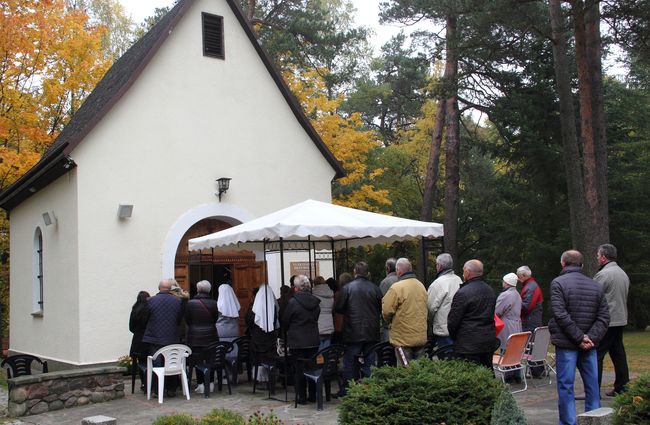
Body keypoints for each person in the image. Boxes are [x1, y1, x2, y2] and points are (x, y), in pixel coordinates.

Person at [549, 250, 609, 425]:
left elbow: (560, 314)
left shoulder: (558, 283)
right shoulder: (595, 285)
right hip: (589, 344)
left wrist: (579, 337)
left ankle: (569, 422)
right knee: (592, 386)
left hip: (568, 343)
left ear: (563, 263)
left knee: (566, 386)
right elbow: (604, 317)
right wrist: (590, 337)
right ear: (581, 265)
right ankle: (593, 420)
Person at [334, 262, 382, 396]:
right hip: (371, 331)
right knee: (370, 362)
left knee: (349, 361)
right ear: (367, 273)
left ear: (355, 271)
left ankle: (348, 390)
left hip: (353, 331)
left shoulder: (348, 288)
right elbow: (380, 308)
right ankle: (370, 389)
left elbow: (339, 308)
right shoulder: (375, 288)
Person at [447, 260, 498, 370]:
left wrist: (456, 337)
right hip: (488, 340)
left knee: (469, 374)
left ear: (467, 272)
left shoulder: (463, 293)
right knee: (488, 372)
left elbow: (453, 321)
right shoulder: (490, 290)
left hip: (468, 344)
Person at [594, 243, 630, 396]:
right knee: (618, 353)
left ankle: (593, 389)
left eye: (597, 256)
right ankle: (622, 386)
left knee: (597, 354)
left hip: (607, 320)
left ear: (603, 257)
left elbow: (594, 296)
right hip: (620, 319)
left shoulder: (604, 275)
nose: (597, 258)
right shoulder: (622, 273)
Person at [281, 275, 321, 404]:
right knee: (311, 367)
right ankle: (313, 395)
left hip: (297, 341)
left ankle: (302, 397)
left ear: (297, 288)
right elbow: (316, 317)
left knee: (299, 369)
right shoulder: (315, 302)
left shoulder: (292, 302)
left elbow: (285, 320)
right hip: (312, 339)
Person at [382, 258, 428, 366]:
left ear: (398, 270)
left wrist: (390, 323)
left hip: (403, 339)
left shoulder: (396, 288)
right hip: (420, 337)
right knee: (419, 371)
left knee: (405, 371)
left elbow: (386, 311)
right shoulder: (420, 285)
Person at [142, 279, 184, 396]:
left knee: (157, 364)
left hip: (155, 338)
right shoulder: (178, 301)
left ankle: (157, 389)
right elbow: (179, 319)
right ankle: (171, 389)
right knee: (171, 363)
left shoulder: (150, 301)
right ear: (170, 288)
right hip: (172, 337)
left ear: (159, 288)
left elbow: (146, 319)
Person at [185, 280, 219, 394]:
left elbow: (188, 320)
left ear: (198, 289)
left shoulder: (190, 303)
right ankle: (210, 383)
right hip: (211, 336)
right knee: (210, 360)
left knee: (198, 361)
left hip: (195, 336)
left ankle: (200, 385)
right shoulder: (214, 303)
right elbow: (215, 319)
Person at [245, 283, 279, 386]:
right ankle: (269, 377)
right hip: (271, 336)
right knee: (269, 357)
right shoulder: (273, 306)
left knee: (258, 357)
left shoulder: (254, 307)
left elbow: (249, 320)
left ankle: (259, 378)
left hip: (258, 336)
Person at [427, 253, 462, 348]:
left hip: (443, 330)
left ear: (439, 266)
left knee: (446, 357)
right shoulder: (458, 280)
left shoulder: (438, 283)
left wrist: (429, 323)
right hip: (457, 327)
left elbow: (430, 307)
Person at [216, 282, 241, 383]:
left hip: (221, 333)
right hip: (234, 331)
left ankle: (224, 376)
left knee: (222, 354)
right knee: (233, 354)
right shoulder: (236, 305)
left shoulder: (219, 305)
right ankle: (234, 374)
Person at [129, 290, 150, 391]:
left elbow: (131, 327)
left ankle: (143, 382)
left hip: (137, 339)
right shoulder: (149, 309)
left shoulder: (135, 309)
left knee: (141, 361)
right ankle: (149, 382)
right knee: (149, 361)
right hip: (148, 339)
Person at [495, 273, 523, 350]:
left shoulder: (506, 295)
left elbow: (497, 311)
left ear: (507, 283)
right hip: (516, 325)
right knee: (513, 350)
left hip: (507, 326)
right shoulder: (517, 294)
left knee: (505, 350)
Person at [517, 265, 543, 333]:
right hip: (531, 321)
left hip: (529, 324)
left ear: (524, 275)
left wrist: (515, 302)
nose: (518, 279)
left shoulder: (531, 288)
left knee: (528, 343)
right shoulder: (531, 286)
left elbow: (527, 307)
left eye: (519, 277)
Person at [312, 276, 335, 350]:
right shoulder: (330, 294)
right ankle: (325, 360)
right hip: (329, 323)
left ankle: (320, 361)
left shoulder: (313, 294)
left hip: (319, 323)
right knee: (326, 348)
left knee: (319, 351)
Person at [379, 258, 398, 342]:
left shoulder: (385, 282)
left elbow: (383, 304)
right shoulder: (402, 279)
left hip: (390, 325)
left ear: (388, 268)